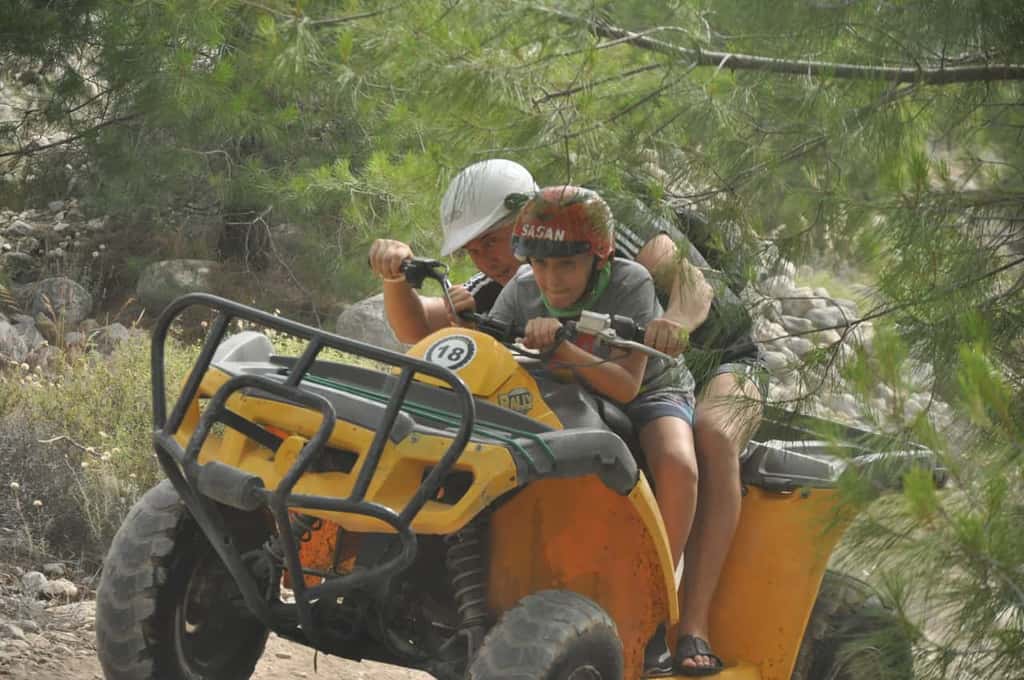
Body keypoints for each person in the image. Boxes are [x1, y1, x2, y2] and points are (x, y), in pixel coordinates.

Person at [369, 159, 765, 675]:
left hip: (715, 358)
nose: (485, 258)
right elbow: (421, 328)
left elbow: (695, 293)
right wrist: (395, 275)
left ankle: (684, 622)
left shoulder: (620, 245)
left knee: (710, 436)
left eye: (491, 241)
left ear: (529, 216)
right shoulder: (531, 275)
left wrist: (671, 324)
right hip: (610, 366)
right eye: (473, 249)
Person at [489, 185, 703, 671]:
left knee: (677, 464)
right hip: (560, 383)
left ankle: (653, 612)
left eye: (565, 264)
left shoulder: (630, 282)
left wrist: (560, 349)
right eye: (540, 264)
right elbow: (492, 346)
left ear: (598, 258)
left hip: (651, 388)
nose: (551, 278)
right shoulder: (523, 287)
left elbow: (627, 385)